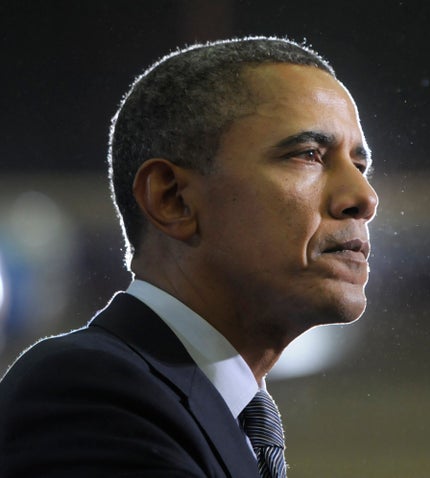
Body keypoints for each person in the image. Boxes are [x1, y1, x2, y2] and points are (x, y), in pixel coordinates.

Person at [0, 36, 378, 477]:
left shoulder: (222, 418)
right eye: (308, 155)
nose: (364, 197)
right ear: (172, 199)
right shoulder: (88, 393)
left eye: (359, 166)